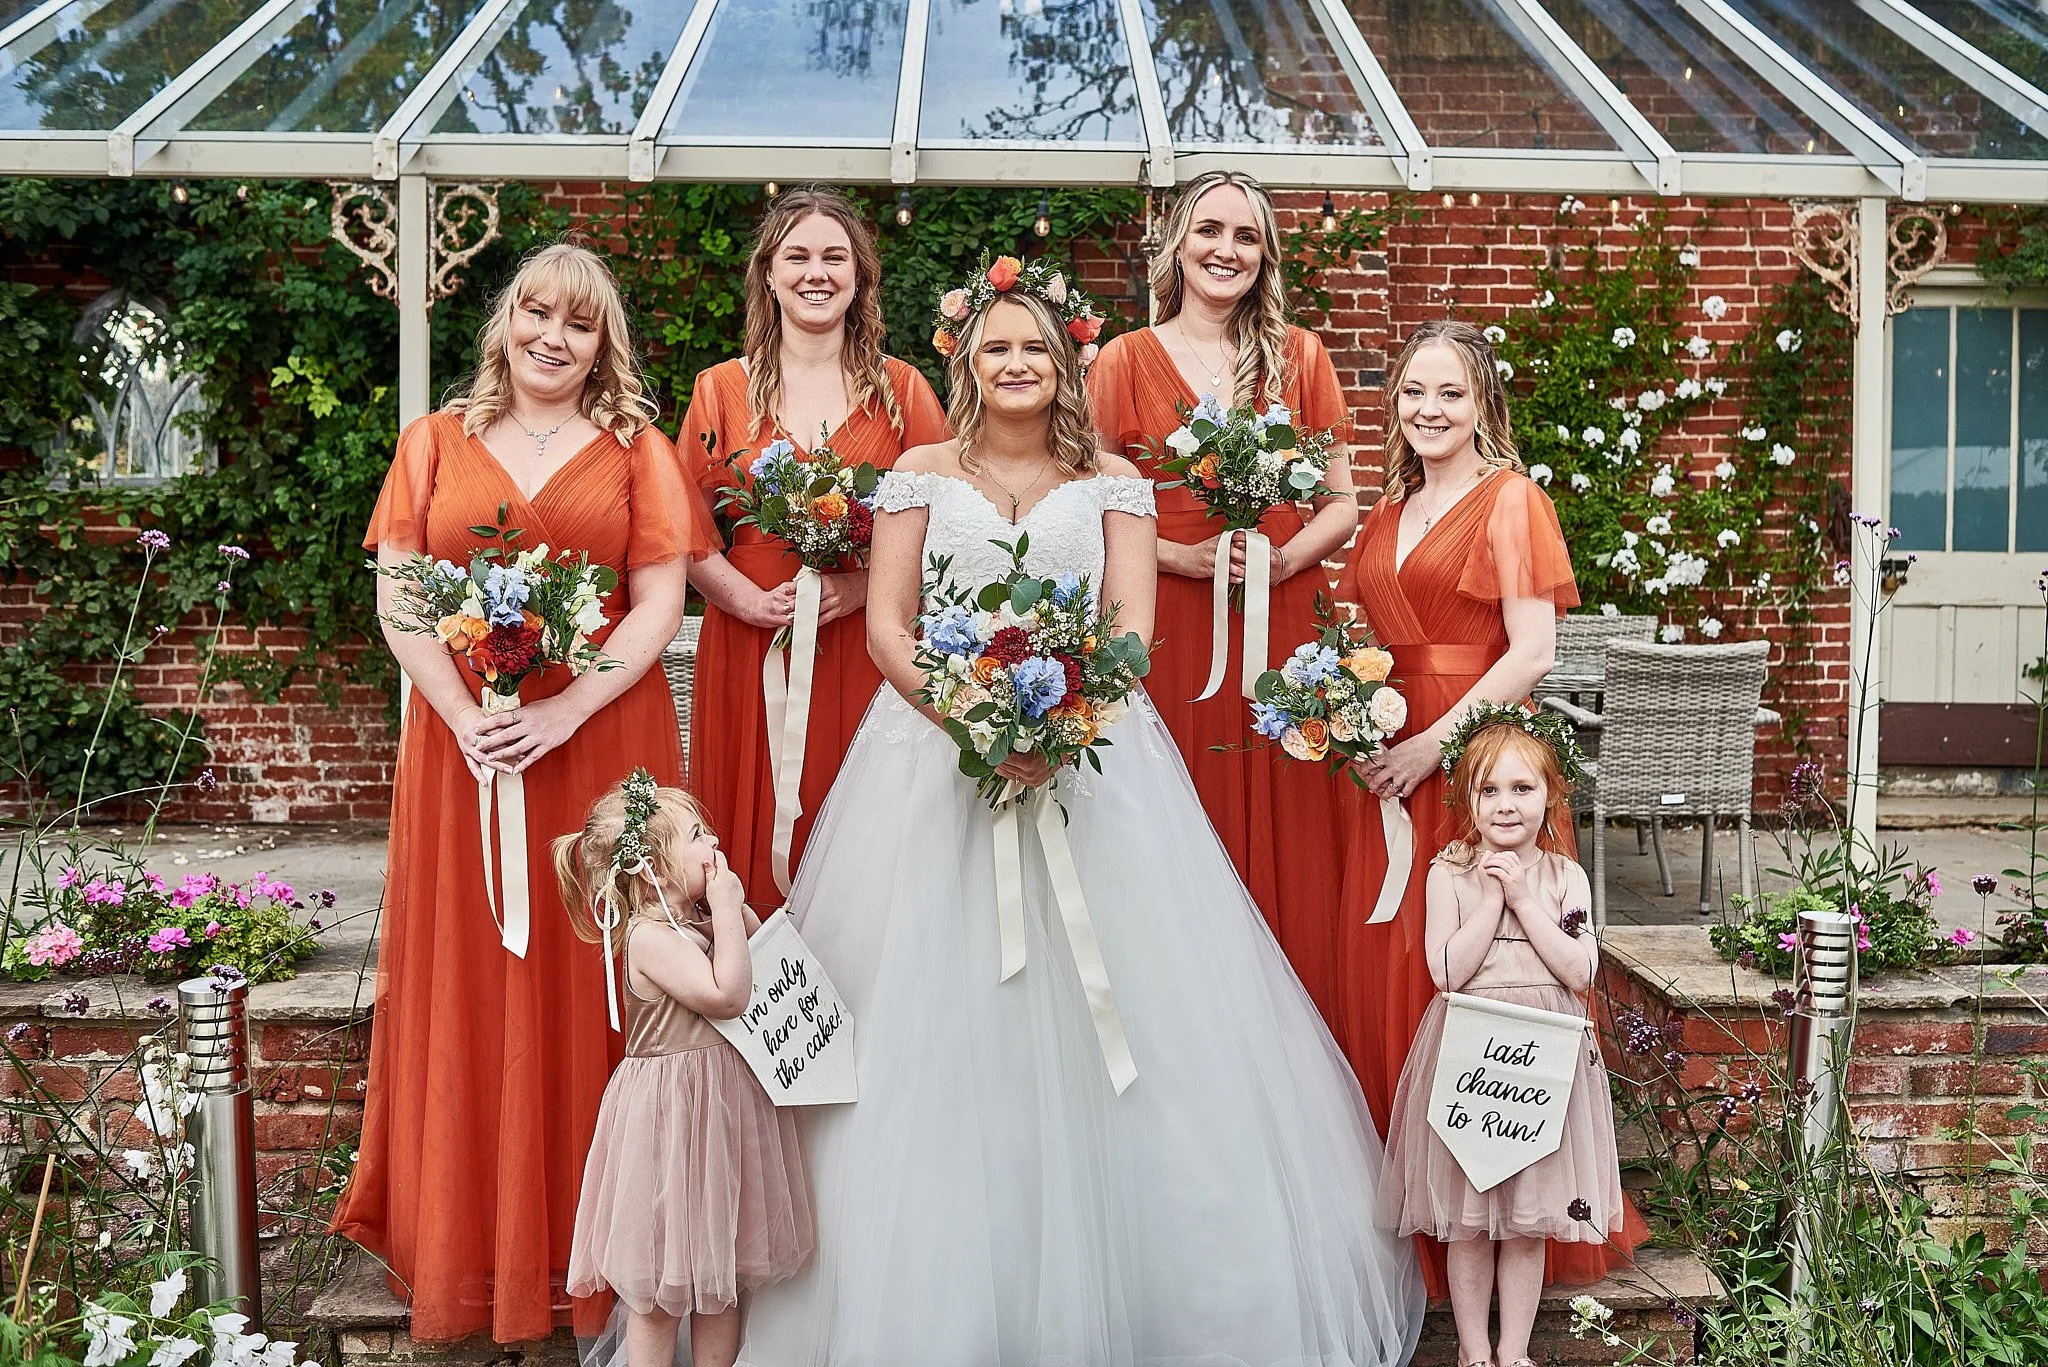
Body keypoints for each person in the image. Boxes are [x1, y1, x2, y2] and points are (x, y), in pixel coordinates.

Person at [735, 258, 1424, 1366]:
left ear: (1063, 365)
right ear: (966, 360)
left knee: (1141, 1010)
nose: (1015, 363)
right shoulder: (915, 472)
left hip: (1091, 759)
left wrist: (1056, 730)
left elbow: (1127, 632)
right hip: (932, 763)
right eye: (995, 346)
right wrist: (975, 720)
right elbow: (888, 627)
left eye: (1034, 348)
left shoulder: (1112, 480)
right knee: (929, 1015)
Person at [334, 242, 713, 1343]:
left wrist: (562, 710)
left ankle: (604, 1252)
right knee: (478, 971)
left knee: (601, 968)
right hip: (469, 751)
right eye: (535, 313)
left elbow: (652, 605)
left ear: (605, 344)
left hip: (599, 745)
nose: (553, 336)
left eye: (579, 323)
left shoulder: (639, 450)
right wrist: (464, 715)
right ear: (504, 323)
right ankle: (474, 1242)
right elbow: (404, 597)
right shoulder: (433, 444)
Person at [1335, 318, 1641, 1294]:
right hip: (1388, 764)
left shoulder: (1510, 501)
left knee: (1491, 982)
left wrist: (1437, 744)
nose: (1428, 410)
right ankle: (1424, 1230)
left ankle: (1510, 1221)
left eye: (1449, 393)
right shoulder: (1383, 513)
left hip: (1480, 766)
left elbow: (1531, 651)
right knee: (1395, 976)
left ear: (1482, 405)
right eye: (1413, 392)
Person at [1087, 170, 1359, 1026]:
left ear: (1266, 257)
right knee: (1172, 822)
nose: (1226, 251)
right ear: (1177, 243)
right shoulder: (1125, 360)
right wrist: (1180, 555)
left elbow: (1345, 502)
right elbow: (1087, 505)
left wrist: (1282, 560)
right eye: (1210, 231)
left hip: (1282, 628)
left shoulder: (1300, 357)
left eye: (1245, 237)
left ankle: (1290, 1035)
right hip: (1166, 626)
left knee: (1289, 824)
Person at [680, 187, 950, 910]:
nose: (816, 272)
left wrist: (864, 589)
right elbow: (682, 531)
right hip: (749, 646)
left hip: (869, 649)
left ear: (860, 276)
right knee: (753, 820)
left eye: (836, 256)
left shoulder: (902, 391)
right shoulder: (719, 391)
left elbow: (953, 526)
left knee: (867, 846)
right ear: (767, 273)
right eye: (797, 255)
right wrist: (743, 598)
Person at [1377, 710, 1627, 1367]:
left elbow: (1580, 969)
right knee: (1467, 1217)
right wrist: (1491, 898)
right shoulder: (1448, 872)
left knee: (1526, 1219)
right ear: (1467, 798)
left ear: (1551, 796)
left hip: (1542, 1058)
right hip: (1472, 1054)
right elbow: (1447, 970)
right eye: (1490, 789)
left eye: (1523, 788)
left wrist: (1524, 899)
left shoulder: (1564, 878)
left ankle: (1513, 1351)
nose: (1507, 803)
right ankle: (1472, 1349)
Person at [557, 772, 813, 1367]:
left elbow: (765, 950)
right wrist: (724, 909)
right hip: (669, 1123)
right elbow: (727, 996)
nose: (714, 843)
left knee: (720, 1284)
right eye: (698, 836)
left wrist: (735, 912)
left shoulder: (698, 924)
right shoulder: (648, 938)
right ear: (655, 868)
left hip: (718, 1116)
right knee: (658, 1294)